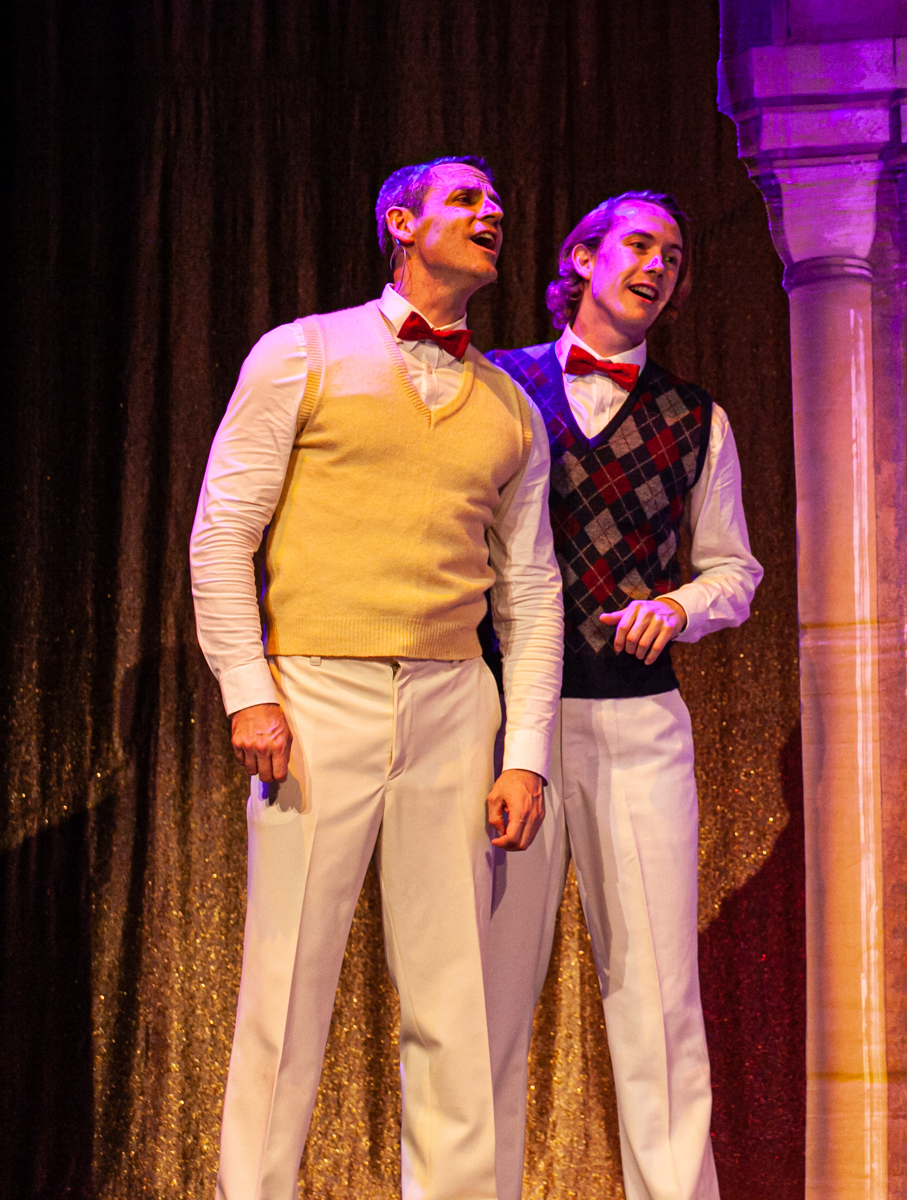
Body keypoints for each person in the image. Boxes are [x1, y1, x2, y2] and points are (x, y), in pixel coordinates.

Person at [189, 155, 563, 1199]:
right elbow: (222, 533)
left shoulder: (510, 407)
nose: (491, 211)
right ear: (400, 221)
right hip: (317, 692)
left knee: (454, 997)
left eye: (496, 200)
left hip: (454, 703)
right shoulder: (303, 354)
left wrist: (525, 754)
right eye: (465, 198)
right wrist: (249, 690)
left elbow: (531, 593)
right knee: (287, 988)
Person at [483, 191, 762, 1200]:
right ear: (583, 259)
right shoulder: (497, 387)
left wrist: (680, 606)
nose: (658, 266)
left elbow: (735, 570)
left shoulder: (695, 417)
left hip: (638, 722)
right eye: (640, 245)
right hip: (502, 725)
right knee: (482, 1000)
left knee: (656, 1001)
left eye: (673, 256)